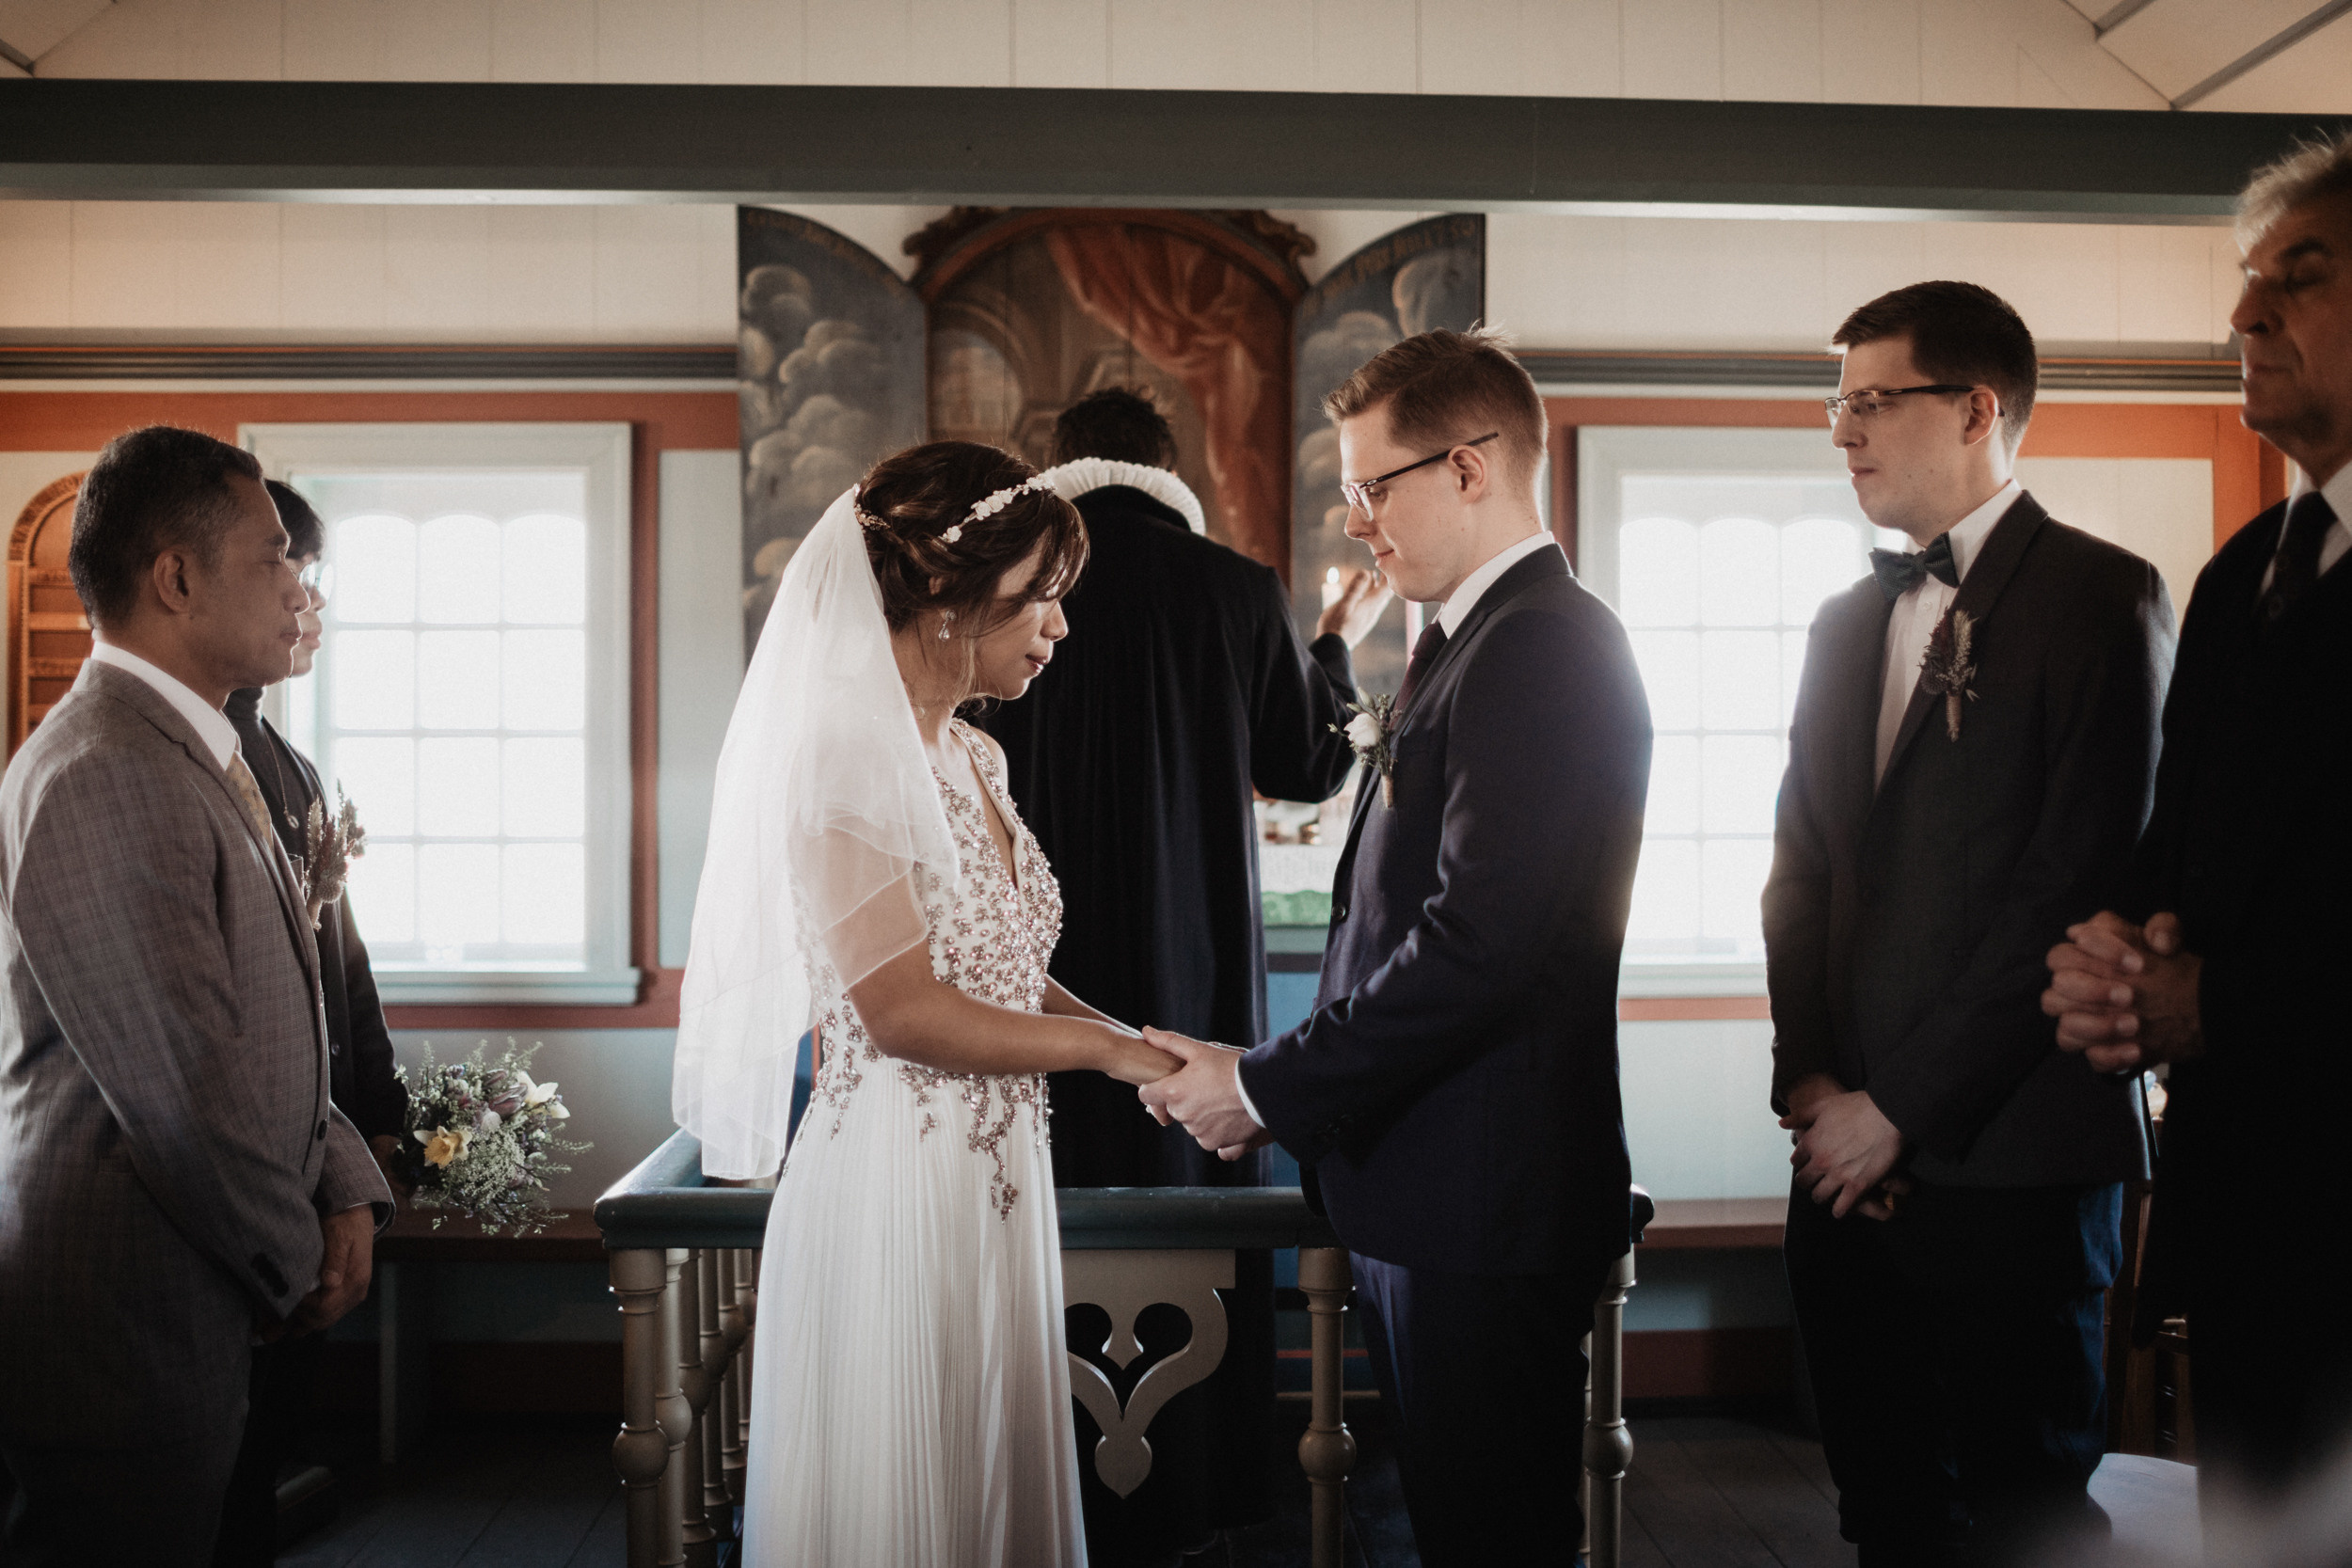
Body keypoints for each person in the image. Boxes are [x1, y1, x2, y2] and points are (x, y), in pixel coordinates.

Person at [1140, 328, 1652, 1565]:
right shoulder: (1471, 640)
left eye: (1373, 484)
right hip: (1436, 1186)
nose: (1356, 519)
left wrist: (1266, 1084)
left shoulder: (1542, 643)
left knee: (1495, 1538)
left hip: (1488, 1199)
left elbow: (1483, 942)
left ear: (1468, 467)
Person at [674, 440, 1181, 1566]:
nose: (1059, 626)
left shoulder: (973, 756)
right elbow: (902, 1009)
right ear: (951, 590)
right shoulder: (842, 757)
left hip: (996, 1174)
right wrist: (1105, 1057)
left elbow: (1000, 967)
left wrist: (1136, 1039)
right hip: (894, 1177)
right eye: (1039, 596)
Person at [1764, 283, 2174, 1566]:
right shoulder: (1842, 622)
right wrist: (1815, 1083)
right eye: (1837, 406)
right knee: (1881, 1510)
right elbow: (1799, 869)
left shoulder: (2102, 595)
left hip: (2017, 1160)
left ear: (1976, 409)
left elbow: (2076, 884)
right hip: (1842, 1163)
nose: (1844, 432)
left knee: (2026, 1519)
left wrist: (1902, 1106)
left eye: (1872, 401)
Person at [977, 387, 1388, 1558]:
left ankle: (1043, 1481)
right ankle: (1199, 1480)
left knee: (1040, 1195)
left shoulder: (1005, 587)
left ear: (1058, 466)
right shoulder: (1234, 586)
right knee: (1190, 1181)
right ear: (1169, 471)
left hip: (1026, 975)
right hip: (1188, 969)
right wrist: (1328, 641)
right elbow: (1307, 765)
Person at [0, 426, 393, 1568]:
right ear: (176, 577)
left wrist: (346, 1184)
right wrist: (297, 1254)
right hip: (130, 1300)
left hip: (194, 1274)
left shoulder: (195, 749)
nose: (300, 588)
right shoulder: (108, 768)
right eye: (274, 556)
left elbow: (285, 1012)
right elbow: (183, 1081)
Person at [2043, 132, 2352, 1526]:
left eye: (2304, 274)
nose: (2245, 314)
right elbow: (2188, 844)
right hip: (2249, 1204)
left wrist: (2216, 999)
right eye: (2247, 280)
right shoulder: (2241, 578)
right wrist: (2120, 957)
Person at [212, 479, 407, 1567]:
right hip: (237, 1174)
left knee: (260, 1461)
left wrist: (377, 1119)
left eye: (313, 571)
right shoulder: (183, 763)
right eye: (286, 565)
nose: (308, 597)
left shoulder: (286, 761)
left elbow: (342, 966)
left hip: (313, 1148)